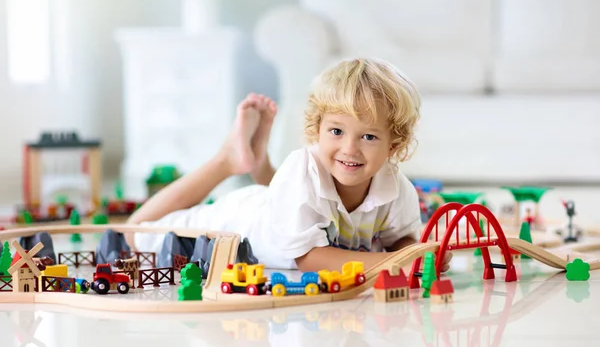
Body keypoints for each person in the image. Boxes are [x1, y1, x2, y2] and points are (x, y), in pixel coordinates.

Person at [127, 57, 452, 272]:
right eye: (336, 131)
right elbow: (309, 258)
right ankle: (227, 160)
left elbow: (403, 240)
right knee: (131, 233)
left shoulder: (395, 188)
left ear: (393, 145)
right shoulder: (302, 168)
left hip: (281, 202)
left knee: (287, 188)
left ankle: (257, 164)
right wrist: (399, 262)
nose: (349, 149)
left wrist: (418, 254)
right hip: (242, 218)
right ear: (317, 130)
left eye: (368, 137)